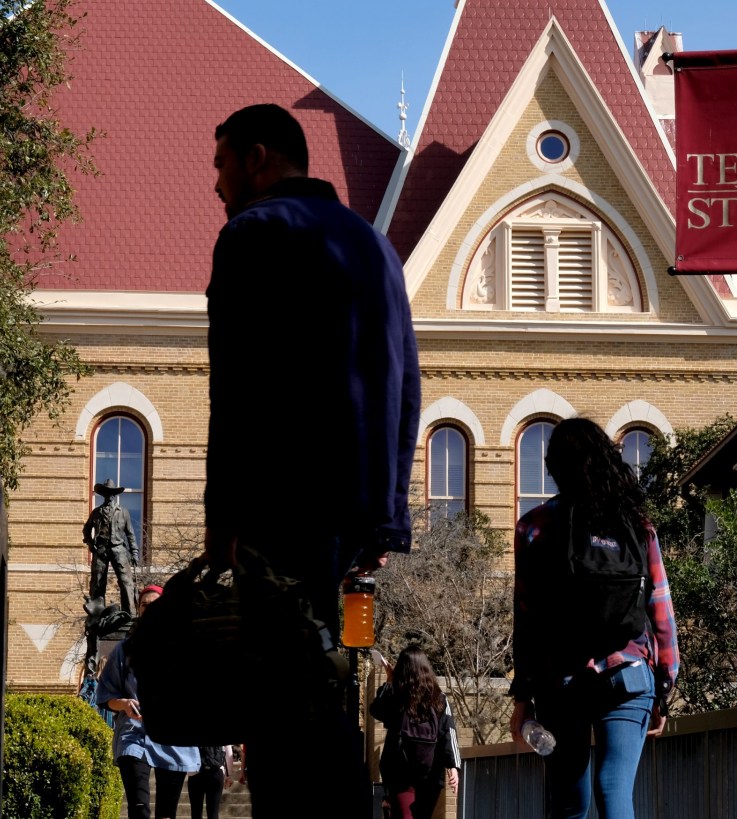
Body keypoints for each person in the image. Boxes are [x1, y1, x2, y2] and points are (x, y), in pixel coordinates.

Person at [204, 103, 421, 819]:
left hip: (280, 500)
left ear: (259, 157)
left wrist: (223, 520)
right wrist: (388, 518)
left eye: (223, 164)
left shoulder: (253, 233)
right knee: (323, 693)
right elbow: (403, 379)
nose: (217, 184)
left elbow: (235, 383)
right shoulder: (374, 245)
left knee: (277, 704)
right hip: (352, 513)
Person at [508, 417, 679, 819]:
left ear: (554, 468)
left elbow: (526, 618)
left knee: (569, 803)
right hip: (630, 676)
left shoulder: (533, 528)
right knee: (614, 790)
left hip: (560, 681)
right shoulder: (636, 525)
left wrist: (522, 697)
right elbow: (661, 609)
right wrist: (664, 687)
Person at [98, 585, 201, 819]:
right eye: (145, 605)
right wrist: (123, 704)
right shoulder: (124, 651)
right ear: (139, 609)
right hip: (134, 735)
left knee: (166, 814)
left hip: (174, 736)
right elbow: (105, 695)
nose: (150, 609)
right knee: (139, 809)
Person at [369, 647, 460, 819]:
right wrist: (453, 765)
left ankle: (389, 806)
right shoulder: (439, 698)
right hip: (430, 773)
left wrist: (389, 682)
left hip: (400, 772)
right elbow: (449, 731)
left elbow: (376, 710)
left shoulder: (397, 695)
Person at [83, 477, 140, 616]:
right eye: (106, 493)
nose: (109, 496)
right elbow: (86, 529)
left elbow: (130, 534)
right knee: (97, 583)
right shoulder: (97, 512)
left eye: (111, 493)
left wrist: (134, 553)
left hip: (118, 549)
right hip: (101, 550)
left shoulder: (123, 512)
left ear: (114, 495)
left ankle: (129, 614)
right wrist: (91, 544)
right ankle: (96, 615)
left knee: (126, 581)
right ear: (103, 495)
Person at [187, 744, 235, 819]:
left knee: (196, 812)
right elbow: (229, 754)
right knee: (213, 812)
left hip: (195, 772)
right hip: (216, 772)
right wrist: (229, 776)